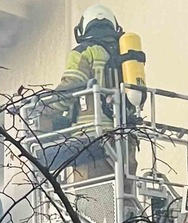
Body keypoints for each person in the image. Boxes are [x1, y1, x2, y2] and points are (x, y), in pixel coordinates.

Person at [50, 4, 136, 181]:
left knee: (92, 204)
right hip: (125, 140)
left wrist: (43, 109)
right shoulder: (126, 57)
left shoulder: (83, 52)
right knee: (124, 196)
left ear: (83, 28)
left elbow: (70, 86)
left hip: (90, 141)